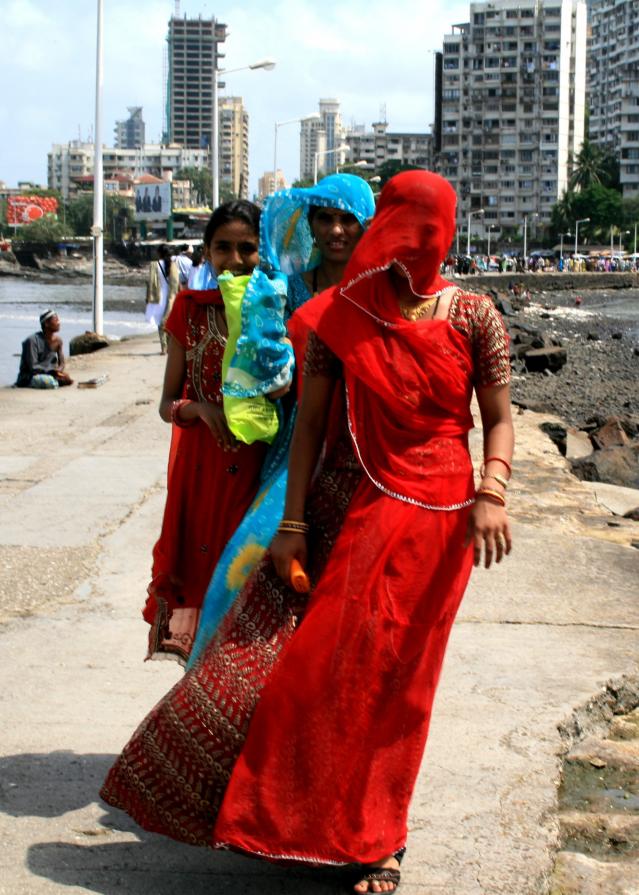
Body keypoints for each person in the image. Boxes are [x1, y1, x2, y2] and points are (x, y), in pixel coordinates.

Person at [101, 172, 514, 893]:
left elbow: (498, 416)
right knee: (297, 667)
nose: (408, 238)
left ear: (443, 230)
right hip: (338, 505)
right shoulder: (339, 312)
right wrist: (290, 522)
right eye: (399, 220)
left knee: (399, 686)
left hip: (439, 522)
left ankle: (380, 839)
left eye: (424, 224)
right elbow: (311, 427)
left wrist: (493, 490)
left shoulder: (475, 314)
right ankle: (285, 817)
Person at [187, 174, 375, 667]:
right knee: (251, 560)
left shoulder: (379, 292)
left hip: (365, 449)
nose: (336, 230)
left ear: (366, 226)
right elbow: (256, 372)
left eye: (347, 220)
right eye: (325, 218)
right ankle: (217, 682)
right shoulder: (281, 291)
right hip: (296, 441)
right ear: (309, 224)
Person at [142, 200, 272, 664]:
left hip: (259, 474)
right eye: (223, 248)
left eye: (247, 248)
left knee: (251, 591)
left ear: (264, 250)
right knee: (204, 582)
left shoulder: (277, 312)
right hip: (202, 476)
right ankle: (201, 708)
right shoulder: (189, 312)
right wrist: (197, 409)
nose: (234, 259)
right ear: (206, 252)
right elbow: (165, 405)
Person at [16, 310, 73, 388]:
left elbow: (62, 363)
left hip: (49, 373)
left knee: (67, 379)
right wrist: (51, 371)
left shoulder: (58, 341)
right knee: (50, 382)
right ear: (46, 324)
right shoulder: (31, 341)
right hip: (30, 376)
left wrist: (59, 370)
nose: (59, 322)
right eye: (56, 320)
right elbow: (33, 367)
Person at [145, 244, 179, 354]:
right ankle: (169, 346)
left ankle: (164, 348)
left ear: (159, 253)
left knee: (161, 323)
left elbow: (151, 282)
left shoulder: (155, 265)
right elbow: (175, 283)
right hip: (171, 296)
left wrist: (148, 297)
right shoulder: (173, 265)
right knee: (169, 321)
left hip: (159, 296)